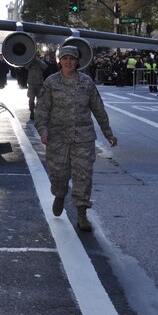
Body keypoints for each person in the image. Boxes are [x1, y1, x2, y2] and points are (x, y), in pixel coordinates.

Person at [34, 45, 117, 232]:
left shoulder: (87, 83)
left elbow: (98, 109)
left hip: (83, 138)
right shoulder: (51, 82)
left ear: (77, 61)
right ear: (60, 61)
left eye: (72, 58)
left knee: (83, 176)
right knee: (58, 174)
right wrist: (43, 130)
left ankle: (81, 214)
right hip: (58, 138)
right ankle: (60, 194)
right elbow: (42, 109)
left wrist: (108, 133)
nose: (68, 62)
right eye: (65, 58)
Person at [25, 53, 47, 119]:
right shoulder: (29, 62)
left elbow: (45, 67)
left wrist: (38, 60)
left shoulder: (40, 62)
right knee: (31, 99)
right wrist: (31, 60)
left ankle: (38, 112)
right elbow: (26, 67)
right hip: (31, 84)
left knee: (40, 99)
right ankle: (32, 111)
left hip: (39, 84)